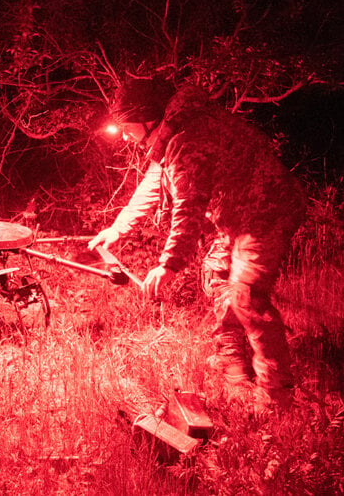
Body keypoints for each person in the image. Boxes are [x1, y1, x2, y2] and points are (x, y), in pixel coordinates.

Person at [88, 77, 306, 408]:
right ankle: (231, 359)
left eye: (128, 127)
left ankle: (276, 397)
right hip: (237, 215)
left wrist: (168, 265)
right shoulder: (173, 133)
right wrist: (118, 229)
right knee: (217, 278)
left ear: (148, 117)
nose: (128, 137)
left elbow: (187, 208)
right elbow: (154, 181)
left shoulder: (189, 139)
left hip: (268, 211)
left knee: (247, 294)